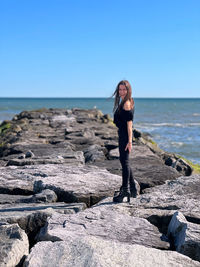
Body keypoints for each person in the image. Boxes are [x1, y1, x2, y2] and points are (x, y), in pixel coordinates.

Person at [112, 80, 137, 203]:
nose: (122, 92)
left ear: (128, 90)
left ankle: (125, 191)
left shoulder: (126, 103)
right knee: (124, 161)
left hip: (125, 137)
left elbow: (129, 125)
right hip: (122, 135)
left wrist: (129, 141)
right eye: (120, 89)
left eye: (124, 89)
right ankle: (132, 189)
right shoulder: (126, 101)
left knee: (125, 163)